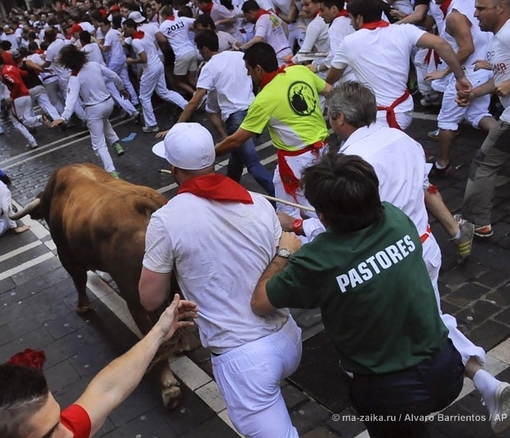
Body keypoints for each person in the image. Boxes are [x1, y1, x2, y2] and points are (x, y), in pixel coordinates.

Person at [314, 82, 510, 433]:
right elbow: (424, 191)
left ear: (341, 118)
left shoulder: (351, 161)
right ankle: (481, 377)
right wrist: (452, 229)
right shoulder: (403, 139)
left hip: (388, 256)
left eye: (331, 117)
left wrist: (307, 228)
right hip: (423, 246)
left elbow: (351, 222)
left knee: (415, 329)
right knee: (429, 317)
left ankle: (411, 399)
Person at [251, 153, 465, 437]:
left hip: (388, 393)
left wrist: (285, 251)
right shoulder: (395, 217)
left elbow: (260, 302)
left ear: (323, 215)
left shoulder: (318, 260)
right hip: (447, 368)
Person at [140, 123, 302, 437]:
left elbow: (150, 298)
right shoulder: (256, 203)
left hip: (243, 360)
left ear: (174, 170)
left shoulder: (166, 220)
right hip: (288, 338)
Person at [0, 294, 197, 438]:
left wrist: (158, 332)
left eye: (59, 419)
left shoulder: (64, 430)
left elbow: (107, 390)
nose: (69, 433)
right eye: (51, 434)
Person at [215, 42, 332, 218]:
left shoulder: (264, 100)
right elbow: (331, 91)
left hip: (298, 161)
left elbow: (236, 140)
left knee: (311, 208)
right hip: (323, 149)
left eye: (248, 69)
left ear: (259, 69)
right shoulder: (299, 71)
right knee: (296, 200)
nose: (248, 73)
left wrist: (208, 154)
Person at [159, 30, 275, 196]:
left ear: (205, 49)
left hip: (236, 118)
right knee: (237, 156)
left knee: (253, 163)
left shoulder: (209, 67)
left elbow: (194, 101)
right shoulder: (237, 56)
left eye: (199, 50)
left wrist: (176, 128)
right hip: (254, 110)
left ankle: (278, 196)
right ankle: (228, 188)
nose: (200, 54)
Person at [326, 0, 472, 130]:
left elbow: (332, 78)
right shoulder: (404, 30)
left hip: (376, 116)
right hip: (404, 109)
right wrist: (460, 77)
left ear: (359, 18)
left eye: (351, 18)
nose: (350, 23)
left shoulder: (350, 41)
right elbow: (441, 43)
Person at [457, 0, 510, 239]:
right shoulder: (502, 37)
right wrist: (473, 94)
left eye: (481, 8)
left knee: (484, 164)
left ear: (501, 9)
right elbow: (502, 77)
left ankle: (476, 223)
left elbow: (509, 80)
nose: (475, 14)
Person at [425, 0, 496, 176]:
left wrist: (445, 72)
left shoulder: (455, 16)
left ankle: (442, 163)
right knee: (477, 115)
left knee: (446, 121)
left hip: (469, 73)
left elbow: (467, 48)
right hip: (482, 69)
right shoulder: (473, 4)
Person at [46, 45, 127, 178]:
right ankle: (116, 143)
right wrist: (122, 88)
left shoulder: (74, 77)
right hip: (108, 103)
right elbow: (113, 75)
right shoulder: (94, 65)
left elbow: (71, 99)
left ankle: (112, 172)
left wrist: (64, 117)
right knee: (104, 120)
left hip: (94, 108)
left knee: (99, 144)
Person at [122, 18, 189, 133]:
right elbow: (156, 47)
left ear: (132, 27)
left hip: (150, 68)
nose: (124, 31)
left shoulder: (136, 42)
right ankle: (186, 105)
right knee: (164, 92)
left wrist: (131, 61)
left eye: (126, 29)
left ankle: (152, 124)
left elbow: (144, 59)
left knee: (144, 97)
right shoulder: (146, 34)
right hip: (158, 64)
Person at [0, 54, 42, 149]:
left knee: (17, 122)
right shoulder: (11, 67)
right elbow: (24, 74)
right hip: (26, 95)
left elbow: (16, 84)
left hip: (18, 98)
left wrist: (11, 96)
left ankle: (32, 140)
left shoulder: (5, 73)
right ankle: (40, 119)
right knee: (26, 118)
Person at [238, 1, 292, 65]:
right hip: (287, 50)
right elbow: (284, 25)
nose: (247, 19)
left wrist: (242, 47)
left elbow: (258, 39)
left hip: (278, 55)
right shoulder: (271, 14)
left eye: (246, 16)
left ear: (250, 12)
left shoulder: (261, 20)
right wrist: (285, 42)